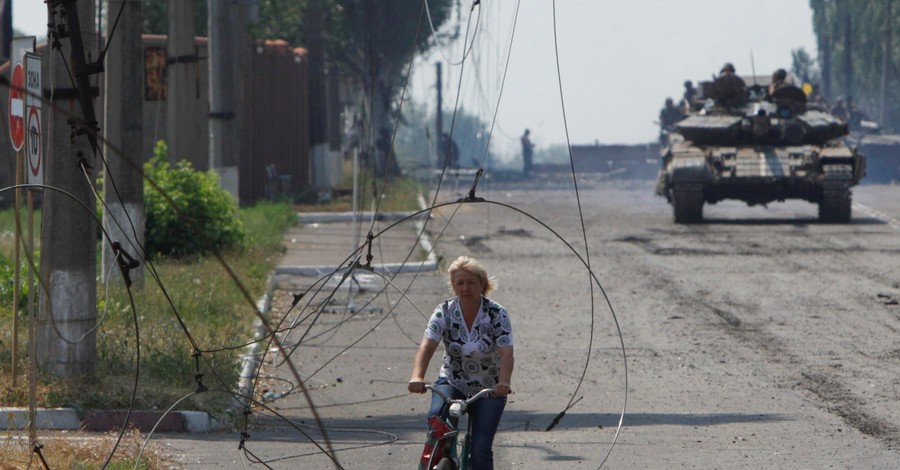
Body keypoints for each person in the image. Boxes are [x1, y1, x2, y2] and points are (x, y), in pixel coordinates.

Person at [409, 256, 514, 470]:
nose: (465, 288)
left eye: (471, 283)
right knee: (436, 424)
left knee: (480, 450)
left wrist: (503, 382)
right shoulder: (444, 311)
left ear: (483, 284)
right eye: (460, 283)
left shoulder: (496, 313)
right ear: (453, 286)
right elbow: (427, 347)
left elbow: (506, 351)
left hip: (488, 388)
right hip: (452, 380)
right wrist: (417, 377)